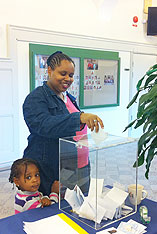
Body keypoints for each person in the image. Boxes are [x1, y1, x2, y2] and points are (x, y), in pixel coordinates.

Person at [23, 51, 104, 196]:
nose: (68, 78)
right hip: (57, 169)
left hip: (81, 164)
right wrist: (79, 118)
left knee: (82, 207)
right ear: (49, 70)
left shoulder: (69, 98)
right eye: (63, 73)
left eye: (71, 75)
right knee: (62, 210)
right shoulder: (36, 98)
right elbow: (43, 125)